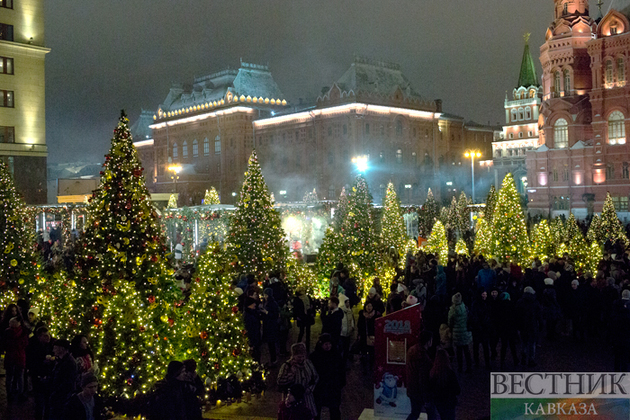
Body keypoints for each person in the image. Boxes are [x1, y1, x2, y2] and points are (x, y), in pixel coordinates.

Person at [277, 343, 319, 418]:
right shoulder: (286, 366)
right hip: (292, 399)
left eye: (303, 356)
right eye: (298, 356)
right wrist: (291, 375)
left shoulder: (308, 363)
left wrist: (310, 389)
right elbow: (280, 381)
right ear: (293, 355)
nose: (301, 359)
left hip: (307, 397)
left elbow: (315, 377)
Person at [309, 334, 345, 420]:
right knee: (317, 408)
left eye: (329, 344)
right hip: (320, 387)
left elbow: (341, 370)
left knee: (334, 409)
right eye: (326, 344)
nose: (328, 346)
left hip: (333, 386)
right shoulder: (315, 356)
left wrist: (341, 383)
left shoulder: (336, 355)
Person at [406, 330, 437, 420]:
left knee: (415, 413)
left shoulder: (412, 350)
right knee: (431, 414)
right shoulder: (423, 358)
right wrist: (426, 398)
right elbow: (423, 380)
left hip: (412, 388)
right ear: (429, 341)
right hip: (420, 392)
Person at [27, 326, 54, 420]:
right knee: (39, 401)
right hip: (38, 377)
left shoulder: (52, 345)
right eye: (45, 336)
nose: (48, 337)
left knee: (48, 401)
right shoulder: (33, 346)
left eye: (48, 335)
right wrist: (42, 362)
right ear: (39, 337)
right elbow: (31, 362)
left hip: (49, 376)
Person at [49, 339, 78, 420]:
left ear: (61, 349)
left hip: (62, 397)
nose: (53, 350)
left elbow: (67, 381)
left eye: (55, 348)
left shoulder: (68, 363)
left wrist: (56, 392)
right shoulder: (61, 360)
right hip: (59, 395)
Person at [429, 349, 460, 420]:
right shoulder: (450, 373)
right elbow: (457, 390)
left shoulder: (432, 373)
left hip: (438, 402)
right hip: (449, 402)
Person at [4, 316, 29, 401]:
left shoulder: (8, 332)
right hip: (19, 356)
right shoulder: (23, 332)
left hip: (13, 356)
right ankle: (18, 394)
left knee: (12, 377)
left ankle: (11, 394)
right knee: (18, 377)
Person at [516, 286, 542, 367]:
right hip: (533, 325)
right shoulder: (535, 302)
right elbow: (539, 316)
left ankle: (523, 358)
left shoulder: (520, 302)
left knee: (524, 343)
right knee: (532, 344)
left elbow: (517, 315)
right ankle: (531, 359)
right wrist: (541, 325)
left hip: (523, 326)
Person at [448, 292, 472, 373]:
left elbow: (450, 322)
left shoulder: (452, 310)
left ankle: (460, 367)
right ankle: (469, 367)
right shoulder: (465, 307)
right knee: (466, 350)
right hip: (465, 331)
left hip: (456, 332)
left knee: (458, 351)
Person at [470, 288, 492, 370]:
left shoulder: (482, 303)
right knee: (479, 347)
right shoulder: (477, 304)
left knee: (483, 346)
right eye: (483, 294)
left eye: (485, 294)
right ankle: (478, 362)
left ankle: (483, 362)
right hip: (479, 328)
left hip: (482, 328)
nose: (485, 296)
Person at [357, 302, 379, 370]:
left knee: (371, 351)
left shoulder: (376, 315)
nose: (368, 308)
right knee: (364, 351)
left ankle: (371, 366)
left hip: (372, 336)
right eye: (367, 306)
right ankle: (364, 367)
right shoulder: (362, 315)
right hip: (364, 336)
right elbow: (359, 325)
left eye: (370, 306)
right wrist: (359, 334)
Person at [262, 288, 280, 366]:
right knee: (270, 344)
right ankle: (273, 359)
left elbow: (275, 315)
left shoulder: (273, 303)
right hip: (267, 325)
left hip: (271, 326)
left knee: (271, 344)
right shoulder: (265, 302)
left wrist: (266, 312)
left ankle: (274, 359)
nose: (265, 296)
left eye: (266, 295)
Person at [338, 294, 355, 366]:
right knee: (341, 349)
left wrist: (352, 326)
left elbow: (351, 320)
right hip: (342, 334)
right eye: (347, 302)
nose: (348, 303)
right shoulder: (340, 312)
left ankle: (344, 363)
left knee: (346, 349)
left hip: (348, 333)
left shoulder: (349, 311)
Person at [244, 297, 262, 363]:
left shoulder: (253, 313)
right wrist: (251, 343)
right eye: (253, 303)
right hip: (254, 340)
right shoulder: (248, 316)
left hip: (256, 338)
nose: (255, 304)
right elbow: (250, 330)